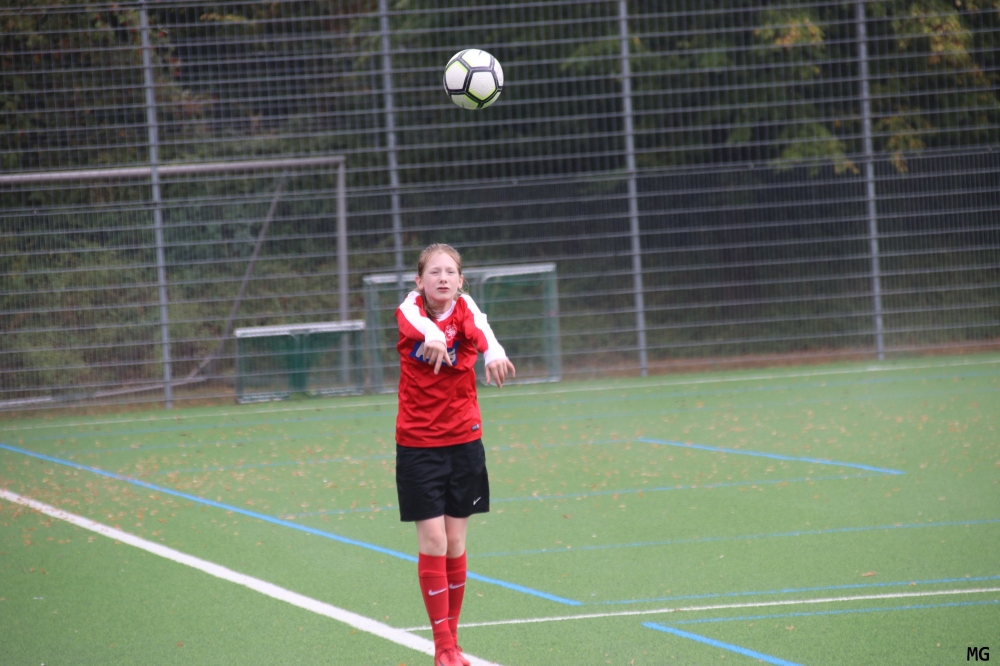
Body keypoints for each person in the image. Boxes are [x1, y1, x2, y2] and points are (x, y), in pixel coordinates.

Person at [394, 243, 516, 666]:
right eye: (434, 272)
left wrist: (494, 353)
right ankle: (443, 646)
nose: (442, 278)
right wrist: (432, 334)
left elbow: (484, 332)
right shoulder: (410, 309)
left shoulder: (466, 309)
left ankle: (454, 641)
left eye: (450, 272)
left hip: (463, 440)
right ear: (420, 281)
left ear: (460, 280)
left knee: (455, 543)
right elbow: (415, 323)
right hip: (418, 445)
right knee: (434, 539)